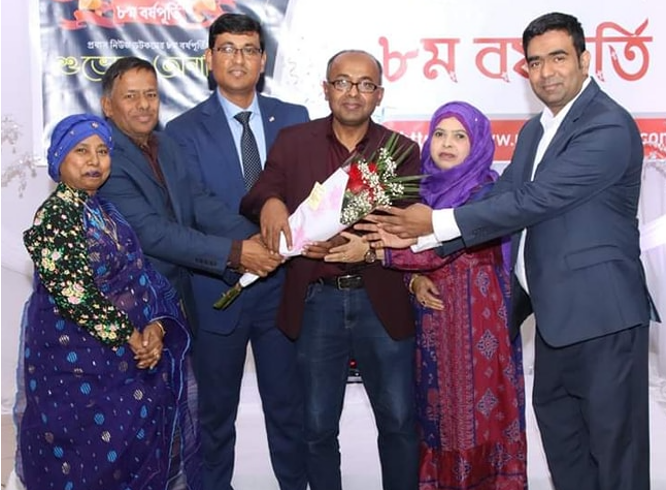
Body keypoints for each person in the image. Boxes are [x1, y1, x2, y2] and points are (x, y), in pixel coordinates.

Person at [368, 12, 659, 490]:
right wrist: (417, 236)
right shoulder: (534, 131)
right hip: (553, 319)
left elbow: (537, 200)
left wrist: (436, 223)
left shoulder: (607, 125)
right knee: (567, 451)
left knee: (615, 459)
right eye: (536, 62)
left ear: (585, 60)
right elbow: (502, 197)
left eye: (558, 58)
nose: (546, 72)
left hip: (603, 319)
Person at [94, 57, 298, 490]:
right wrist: (237, 253)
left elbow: (198, 203)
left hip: (174, 303)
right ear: (108, 105)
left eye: (151, 94)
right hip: (132, 309)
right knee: (138, 424)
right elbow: (153, 232)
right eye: (130, 96)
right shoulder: (105, 158)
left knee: (181, 416)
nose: (144, 105)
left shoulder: (164, 145)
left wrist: (257, 240)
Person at [240, 49, 420, 490]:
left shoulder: (400, 150)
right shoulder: (294, 141)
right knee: (317, 426)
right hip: (316, 301)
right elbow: (260, 191)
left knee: (399, 421)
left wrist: (368, 247)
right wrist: (272, 202)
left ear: (379, 95)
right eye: (342, 82)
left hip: (381, 299)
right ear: (326, 89)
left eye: (365, 84)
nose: (352, 92)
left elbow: (409, 225)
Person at [15, 114, 201, 490]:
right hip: (75, 371)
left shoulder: (106, 211)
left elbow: (143, 275)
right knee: (81, 466)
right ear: (59, 158)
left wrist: (157, 326)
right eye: (81, 151)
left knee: (131, 460)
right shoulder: (56, 216)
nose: (94, 160)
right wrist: (132, 336)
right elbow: (74, 293)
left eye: (102, 151)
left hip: (128, 366)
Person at [165, 14, 309, 490]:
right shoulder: (182, 130)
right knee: (214, 413)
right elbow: (194, 201)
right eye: (227, 49)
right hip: (217, 290)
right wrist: (253, 244)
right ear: (210, 59)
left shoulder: (295, 118)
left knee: (289, 409)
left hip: (282, 288)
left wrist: (276, 244)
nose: (238, 59)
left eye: (249, 49)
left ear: (263, 60)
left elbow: (307, 190)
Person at [351, 101, 527, 489]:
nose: (447, 143)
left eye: (460, 136)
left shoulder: (486, 193)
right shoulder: (419, 192)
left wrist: (376, 251)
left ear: (478, 144)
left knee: (477, 414)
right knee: (435, 413)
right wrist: (412, 281)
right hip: (431, 325)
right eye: (441, 134)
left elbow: (443, 248)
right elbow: (418, 261)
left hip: (480, 325)